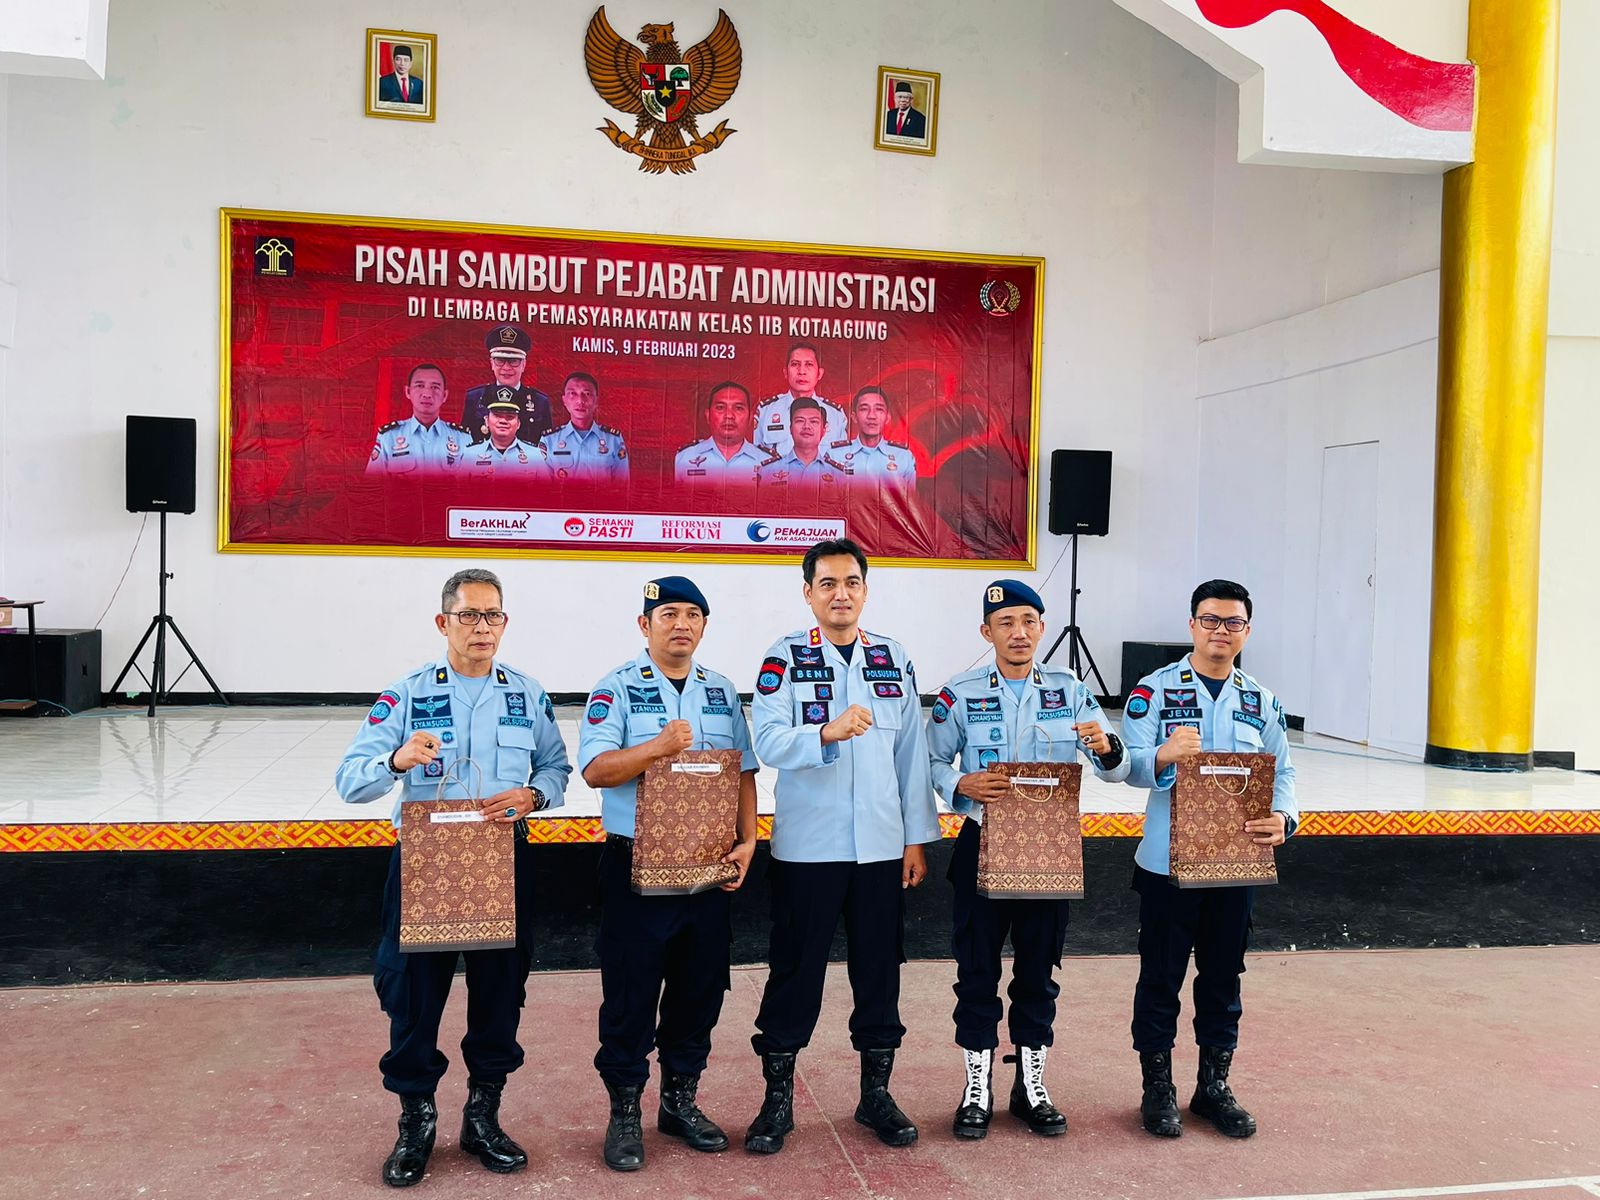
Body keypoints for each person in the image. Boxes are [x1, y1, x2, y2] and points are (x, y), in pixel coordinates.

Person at [335, 568, 571, 1187]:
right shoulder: (407, 695)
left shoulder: (527, 694)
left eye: (492, 615)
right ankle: (415, 1122)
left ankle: (482, 1116)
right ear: (444, 622)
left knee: (500, 992)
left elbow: (556, 768)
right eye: (468, 615)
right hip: (427, 862)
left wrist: (533, 796)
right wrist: (396, 760)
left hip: (501, 858)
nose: (481, 627)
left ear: (505, 623)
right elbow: (350, 780)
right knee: (413, 996)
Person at [745, 538, 939, 1155]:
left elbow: (911, 756)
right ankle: (777, 1100)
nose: (841, 594)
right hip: (810, 849)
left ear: (865, 590)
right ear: (808, 593)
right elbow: (767, 741)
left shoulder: (892, 657)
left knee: (879, 971)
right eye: (827, 583)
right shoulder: (784, 657)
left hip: (881, 848)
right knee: (795, 972)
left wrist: (916, 838)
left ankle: (875, 1094)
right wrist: (824, 733)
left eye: (851, 582)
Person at [926, 580, 1130, 1140]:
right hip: (982, 845)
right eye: (1006, 623)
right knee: (976, 971)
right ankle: (977, 1088)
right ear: (986, 631)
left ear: (1042, 628)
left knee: (1039, 973)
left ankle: (1030, 1087)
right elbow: (930, 762)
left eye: (1029, 622)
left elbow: (1115, 766)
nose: (1019, 633)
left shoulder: (1071, 690)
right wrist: (960, 783)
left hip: (1049, 849)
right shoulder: (959, 693)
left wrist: (1106, 746)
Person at [578, 577, 759, 1173]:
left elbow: (743, 772)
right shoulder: (616, 688)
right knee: (631, 993)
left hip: (707, 865)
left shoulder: (720, 690)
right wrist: (655, 747)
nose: (681, 624)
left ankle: (680, 1102)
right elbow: (596, 770)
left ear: (704, 625)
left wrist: (748, 840)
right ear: (645, 624)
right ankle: (625, 1111)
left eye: (692, 615)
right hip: (637, 864)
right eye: (668, 614)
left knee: (699, 989)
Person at [1118, 579, 1298, 1141]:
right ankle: (1157, 1088)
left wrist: (1285, 817)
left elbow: (1284, 770)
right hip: (1168, 864)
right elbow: (1125, 766)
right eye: (1211, 620)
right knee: (1161, 977)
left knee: (1223, 977)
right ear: (1192, 625)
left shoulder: (1261, 701)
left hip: (1237, 863)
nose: (1222, 631)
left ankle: (1213, 1087)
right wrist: (1162, 755)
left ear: (1247, 630)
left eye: (1233, 622)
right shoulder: (1153, 691)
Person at [367, 363, 471, 477]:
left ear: (445, 395)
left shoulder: (463, 439)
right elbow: (373, 484)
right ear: (408, 392)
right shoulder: (389, 437)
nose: (427, 394)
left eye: (435, 387)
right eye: (420, 386)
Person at [673, 381, 767, 497]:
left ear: (750, 417)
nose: (729, 415)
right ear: (708, 416)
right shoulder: (684, 458)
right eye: (720, 407)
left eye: (738, 408)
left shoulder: (768, 462)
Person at [753, 344, 848, 457]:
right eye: (795, 364)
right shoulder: (766, 411)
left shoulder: (835, 415)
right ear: (785, 372)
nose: (801, 371)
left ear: (819, 373)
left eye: (809, 364)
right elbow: (757, 459)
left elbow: (842, 459)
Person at [463, 326, 553, 445]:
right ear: (491, 363)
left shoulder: (539, 401)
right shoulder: (475, 398)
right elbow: (465, 442)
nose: (506, 367)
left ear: (524, 364)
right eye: (500, 360)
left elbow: (547, 446)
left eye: (513, 361)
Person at [538, 372, 629, 482]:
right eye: (573, 393)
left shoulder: (613, 440)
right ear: (564, 400)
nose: (580, 401)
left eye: (587, 394)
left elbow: (621, 486)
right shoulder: (549, 440)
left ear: (596, 400)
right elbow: (543, 487)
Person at [755, 399, 847, 506]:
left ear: (823, 430)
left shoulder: (839, 475)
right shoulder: (766, 472)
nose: (807, 426)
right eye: (800, 421)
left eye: (814, 421)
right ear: (790, 428)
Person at [831, 387, 919, 490]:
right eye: (864, 409)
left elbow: (908, 498)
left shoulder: (903, 457)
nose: (871, 416)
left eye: (878, 409)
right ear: (854, 417)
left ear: (887, 418)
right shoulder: (834, 456)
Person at [458, 392, 551, 480]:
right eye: (497, 415)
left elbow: (546, 490)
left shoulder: (534, 455)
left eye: (509, 416)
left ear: (518, 423)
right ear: (486, 420)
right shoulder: (470, 454)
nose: (503, 421)